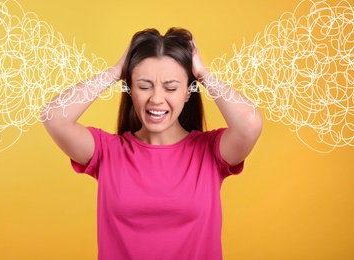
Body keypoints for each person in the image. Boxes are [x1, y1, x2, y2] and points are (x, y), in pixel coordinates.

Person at [42, 27, 262, 259]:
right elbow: (54, 117)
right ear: (130, 91)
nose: (156, 99)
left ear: (188, 92)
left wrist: (203, 74)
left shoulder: (210, 152)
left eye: (171, 88)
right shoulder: (108, 151)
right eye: (144, 86)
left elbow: (250, 124)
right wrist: (116, 71)